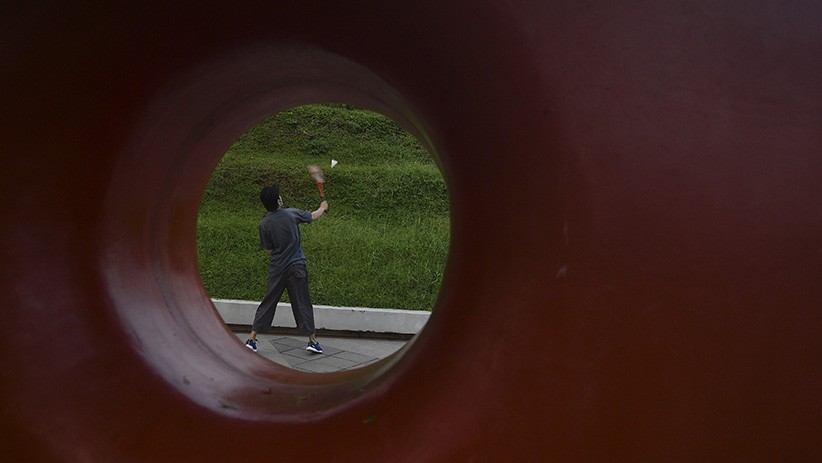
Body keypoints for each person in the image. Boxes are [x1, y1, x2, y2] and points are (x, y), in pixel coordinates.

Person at [244, 185, 328, 354]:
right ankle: (312, 341)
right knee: (302, 303)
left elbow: (269, 250)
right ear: (278, 200)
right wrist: (323, 207)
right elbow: (313, 216)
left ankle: (252, 340)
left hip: (277, 268)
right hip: (297, 266)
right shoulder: (291, 214)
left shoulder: (264, 224)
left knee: (268, 302)